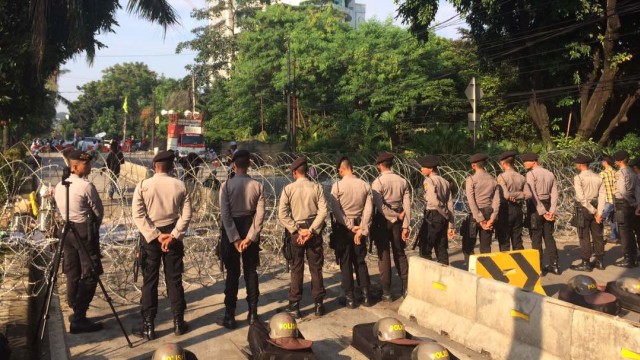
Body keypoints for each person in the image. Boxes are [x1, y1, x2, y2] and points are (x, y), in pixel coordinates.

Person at [131, 150, 192, 340]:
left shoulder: (143, 186)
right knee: (174, 280)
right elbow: (187, 214)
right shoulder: (180, 185)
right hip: (172, 236)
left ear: (154, 167)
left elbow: (138, 215)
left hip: (150, 239)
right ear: (172, 167)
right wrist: (172, 235)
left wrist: (155, 235)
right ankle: (178, 323)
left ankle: (148, 326)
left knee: (150, 282)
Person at [54, 150, 104, 333]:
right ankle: (79, 317)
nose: (89, 167)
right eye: (86, 164)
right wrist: (94, 227)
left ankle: (73, 305)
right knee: (91, 272)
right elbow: (98, 211)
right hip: (84, 230)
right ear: (74, 166)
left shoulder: (60, 185)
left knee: (72, 270)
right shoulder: (86, 186)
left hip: (67, 230)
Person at [219, 150, 265, 329]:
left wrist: (235, 239)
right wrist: (250, 238)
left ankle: (229, 315)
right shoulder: (257, 185)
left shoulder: (226, 186)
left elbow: (225, 214)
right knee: (251, 272)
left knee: (232, 273)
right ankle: (253, 314)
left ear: (234, 165)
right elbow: (260, 215)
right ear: (249, 165)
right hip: (249, 227)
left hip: (232, 231)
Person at [278, 156, 328, 318]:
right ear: (306, 171)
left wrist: (297, 230)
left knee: (296, 269)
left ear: (294, 173)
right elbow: (323, 212)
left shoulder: (288, 189)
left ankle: (295, 306)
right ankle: (319, 305)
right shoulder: (317, 188)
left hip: (296, 234)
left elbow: (282, 214)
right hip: (313, 233)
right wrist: (311, 230)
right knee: (316, 268)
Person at [328, 156, 374, 308]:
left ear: (341, 170)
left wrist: (349, 225)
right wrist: (361, 227)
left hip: (343, 229)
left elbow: (336, 211)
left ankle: (350, 299)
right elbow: (369, 209)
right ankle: (366, 296)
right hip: (359, 227)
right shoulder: (365, 185)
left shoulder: (338, 187)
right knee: (360, 261)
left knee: (346, 262)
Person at [371, 152, 411, 301]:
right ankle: (406, 287)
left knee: (384, 256)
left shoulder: (378, 182)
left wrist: (392, 216)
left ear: (380, 166)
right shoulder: (402, 181)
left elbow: (380, 206)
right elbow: (407, 205)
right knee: (400, 253)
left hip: (383, 222)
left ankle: (387, 292)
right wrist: (405, 224)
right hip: (399, 221)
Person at [522, 153, 561, 275]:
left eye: (526, 161)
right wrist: (552, 210)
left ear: (534, 161)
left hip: (535, 207)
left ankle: (537, 266)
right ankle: (555, 265)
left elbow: (532, 194)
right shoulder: (549, 173)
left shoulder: (530, 174)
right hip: (548, 204)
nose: (524, 164)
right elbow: (555, 193)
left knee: (536, 237)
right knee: (549, 236)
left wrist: (542, 211)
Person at [569, 154, 606, 271]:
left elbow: (581, 198)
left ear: (580, 165)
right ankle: (600, 261)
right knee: (598, 235)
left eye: (576, 164)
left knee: (583, 236)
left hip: (584, 209)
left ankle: (586, 263)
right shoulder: (598, 177)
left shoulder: (578, 178)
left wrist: (593, 211)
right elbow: (602, 196)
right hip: (596, 206)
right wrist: (599, 212)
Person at [416, 155, 455, 265]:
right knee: (441, 248)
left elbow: (433, 201)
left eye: (423, 167)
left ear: (431, 168)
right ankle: (444, 273)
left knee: (425, 248)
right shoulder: (445, 182)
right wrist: (451, 223)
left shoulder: (429, 181)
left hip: (433, 216)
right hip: (443, 218)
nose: (421, 169)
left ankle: (428, 276)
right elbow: (450, 203)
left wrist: (443, 213)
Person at [462, 153, 500, 261]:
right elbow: (496, 201)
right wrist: (492, 218)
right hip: (489, 212)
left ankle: (471, 270)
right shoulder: (493, 179)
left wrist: (480, 219)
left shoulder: (471, 179)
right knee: (486, 246)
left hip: (475, 215)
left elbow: (471, 201)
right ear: (485, 164)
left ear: (473, 165)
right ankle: (486, 270)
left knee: (468, 245)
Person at [495, 151, 529, 252]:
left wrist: (511, 196)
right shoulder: (522, 177)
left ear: (503, 163)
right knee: (517, 239)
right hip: (518, 209)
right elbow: (527, 195)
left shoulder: (501, 177)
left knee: (504, 240)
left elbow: (506, 195)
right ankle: (520, 264)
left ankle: (506, 266)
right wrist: (519, 195)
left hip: (505, 210)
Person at [612, 151, 638, 268]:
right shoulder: (632, 172)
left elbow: (622, 191)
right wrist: (635, 202)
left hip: (623, 203)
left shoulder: (620, 173)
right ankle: (633, 257)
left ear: (620, 161)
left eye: (616, 160)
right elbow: (637, 190)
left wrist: (629, 200)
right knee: (630, 232)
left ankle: (629, 259)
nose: (615, 162)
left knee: (624, 232)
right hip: (631, 204)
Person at [600, 156, 620, 244]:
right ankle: (614, 237)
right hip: (615, 199)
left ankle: (599, 238)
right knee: (613, 219)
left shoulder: (602, 174)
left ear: (605, 162)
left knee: (600, 218)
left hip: (607, 199)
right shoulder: (615, 172)